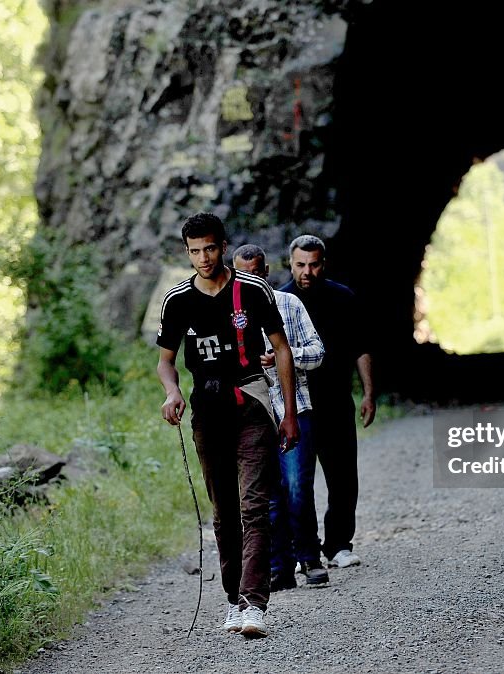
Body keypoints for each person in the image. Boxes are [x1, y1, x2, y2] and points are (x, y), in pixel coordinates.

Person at [157, 213, 299, 639]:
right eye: (195, 251)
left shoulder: (252, 290)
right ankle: (234, 599)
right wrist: (172, 392)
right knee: (224, 514)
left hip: (251, 402)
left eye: (211, 248)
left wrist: (288, 412)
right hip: (207, 409)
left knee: (254, 505)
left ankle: (255, 603)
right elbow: (165, 361)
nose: (204, 258)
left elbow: (281, 348)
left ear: (223, 245)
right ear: (187, 252)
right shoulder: (178, 300)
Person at [232, 244, 331, 590]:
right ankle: (279, 567)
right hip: (251, 414)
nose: (250, 280)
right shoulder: (230, 316)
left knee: (296, 486)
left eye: (256, 273)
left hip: (295, 408)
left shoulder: (288, 305)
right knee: (266, 494)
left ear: (267, 271)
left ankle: (310, 557)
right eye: (242, 275)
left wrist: (281, 357)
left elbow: (317, 352)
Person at [278, 234, 375, 569]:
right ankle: (303, 549)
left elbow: (360, 346)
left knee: (343, 477)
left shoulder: (342, 297)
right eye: (301, 264)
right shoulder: (280, 301)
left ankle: (338, 544)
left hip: (336, 402)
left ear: (324, 263)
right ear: (290, 263)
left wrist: (368, 393)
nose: (308, 271)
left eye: (314, 264)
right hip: (298, 406)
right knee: (297, 482)